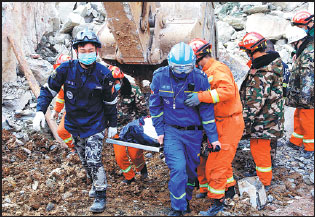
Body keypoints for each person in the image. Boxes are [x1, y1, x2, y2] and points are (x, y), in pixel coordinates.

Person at [32, 29, 119, 213]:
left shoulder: (104, 74)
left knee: (94, 160)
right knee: (85, 160)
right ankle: (95, 183)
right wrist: (40, 110)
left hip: (95, 124)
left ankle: (101, 195)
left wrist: (113, 124)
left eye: (90, 51)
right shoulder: (66, 69)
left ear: (97, 51)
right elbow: (48, 90)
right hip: (75, 125)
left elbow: (110, 102)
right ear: (76, 51)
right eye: (83, 51)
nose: (87, 54)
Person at [149, 42, 221, 216]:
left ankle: (186, 200)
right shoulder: (160, 77)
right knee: (178, 168)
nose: (181, 73)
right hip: (172, 131)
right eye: (177, 69)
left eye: (185, 69)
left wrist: (213, 137)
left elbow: (207, 111)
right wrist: (159, 132)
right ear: (170, 64)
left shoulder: (200, 78)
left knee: (190, 170)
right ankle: (178, 208)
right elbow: (155, 107)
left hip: (194, 133)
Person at [185, 38, 245, 216]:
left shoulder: (217, 69)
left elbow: (227, 91)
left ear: (197, 58)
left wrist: (201, 96)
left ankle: (217, 203)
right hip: (221, 122)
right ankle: (230, 189)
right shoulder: (207, 71)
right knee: (221, 160)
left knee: (215, 165)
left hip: (229, 122)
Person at [238, 32, 285, 190]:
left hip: (262, 122)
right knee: (269, 149)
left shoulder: (263, 73)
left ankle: (264, 182)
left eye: (246, 51)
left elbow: (254, 103)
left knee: (260, 149)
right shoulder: (271, 63)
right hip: (272, 118)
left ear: (252, 50)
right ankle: (268, 172)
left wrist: (242, 123)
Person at [285, 26, 315, 159]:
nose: (292, 46)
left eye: (293, 44)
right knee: (299, 115)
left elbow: (308, 77)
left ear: (298, 41)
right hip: (302, 94)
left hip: (307, 96)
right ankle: (296, 140)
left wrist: (305, 97)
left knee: (307, 119)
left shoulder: (308, 54)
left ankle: (310, 147)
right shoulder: (304, 50)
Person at [114, 115, 159, 184]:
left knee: (135, 155)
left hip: (134, 130)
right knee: (120, 156)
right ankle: (129, 177)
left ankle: (142, 170)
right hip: (116, 130)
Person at [50, 54, 75, 153]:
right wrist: (56, 110)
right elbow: (61, 97)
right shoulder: (63, 82)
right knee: (62, 131)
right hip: (71, 110)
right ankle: (74, 148)